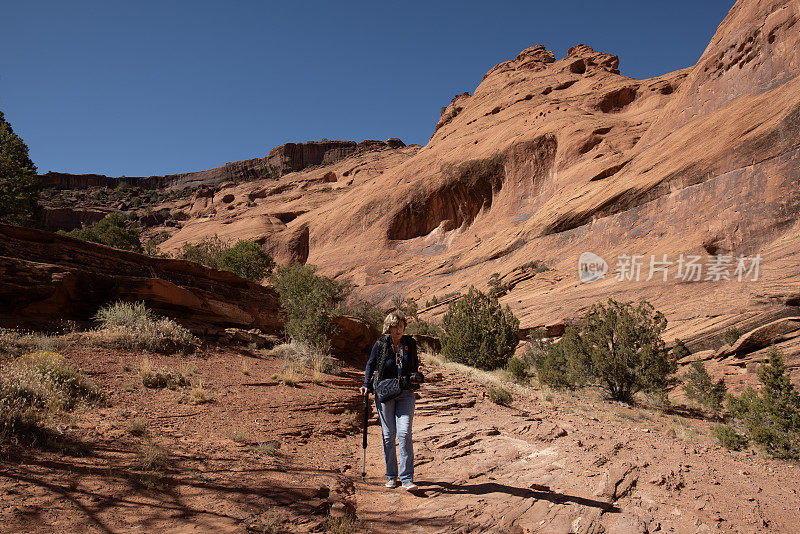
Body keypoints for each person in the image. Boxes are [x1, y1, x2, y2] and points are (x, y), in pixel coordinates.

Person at [360, 310, 419, 490]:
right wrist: (366, 384)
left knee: (404, 433)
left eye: (400, 327)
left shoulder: (409, 343)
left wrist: (415, 378)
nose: (398, 330)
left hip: (405, 392)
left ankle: (407, 478)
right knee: (388, 435)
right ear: (389, 328)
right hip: (385, 392)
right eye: (394, 327)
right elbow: (371, 364)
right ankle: (391, 476)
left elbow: (415, 365)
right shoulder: (381, 343)